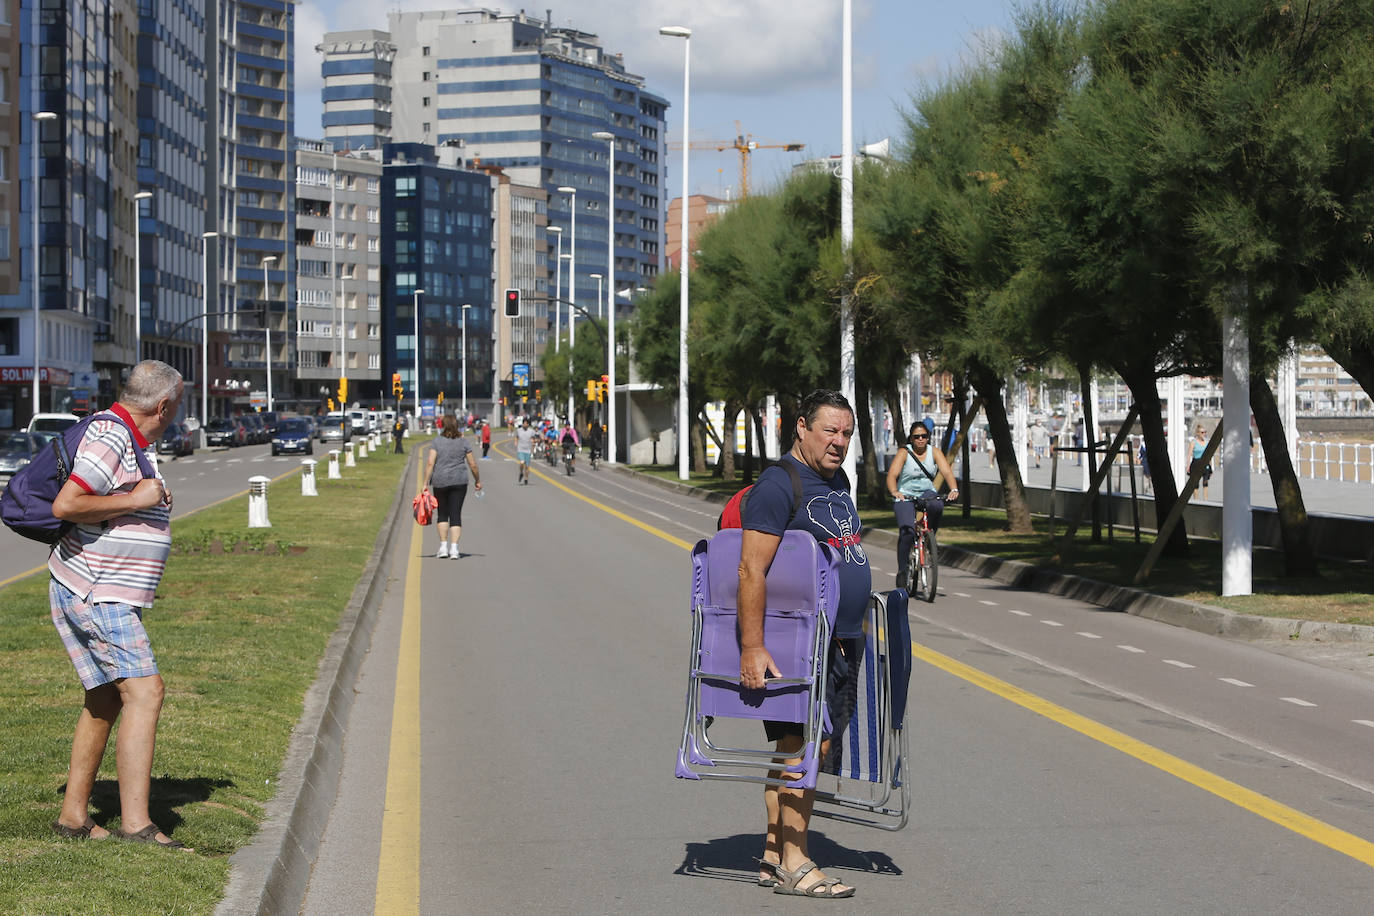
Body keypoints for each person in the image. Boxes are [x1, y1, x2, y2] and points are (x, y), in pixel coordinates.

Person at [48, 360, 191, 849]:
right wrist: (138, 499)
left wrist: (144, 497)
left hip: (97, 586)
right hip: (97, 589)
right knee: (146, 693)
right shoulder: (112, 436)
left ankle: (73, 816)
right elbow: (67, 505)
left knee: (106, 696)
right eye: (179, 404)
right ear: (164, 405)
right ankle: (136, 824)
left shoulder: (128, 436)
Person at [739, 390, 869, 899]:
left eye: (846, 434)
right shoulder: (778, 486)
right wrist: (753, 645)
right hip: (802, 645)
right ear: (801, 427)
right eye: (829, 431)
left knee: (799, 746)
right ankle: (796, 862)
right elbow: (751, 567)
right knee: (807, 748)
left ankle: (775, 854)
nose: (838, 442)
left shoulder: (837, 480)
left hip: (840, 641)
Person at [886, 419, 959, 589]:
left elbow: (946, 471)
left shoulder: (934, 452)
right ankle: (903, 570)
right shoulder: (904, 452)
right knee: (906, 531)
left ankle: (928, 538)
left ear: (928, 437)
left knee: (937, 506)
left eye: (924, 436)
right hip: (906, 495)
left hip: (926, 493)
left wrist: (954, 489)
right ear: (911, 438)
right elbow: (892, 475)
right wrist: (895, 492)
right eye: (916, 436)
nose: (920, 439)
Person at [423, 413, 482, 557]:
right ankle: (454, 549)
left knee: (442, 513)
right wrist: (477, 480)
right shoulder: (464, 442)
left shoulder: (437, 441)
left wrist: (425, 483)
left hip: (440, 480)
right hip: (459, 481)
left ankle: (443, 547)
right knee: (456, 514)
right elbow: (472, 464)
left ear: (443, 425)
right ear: (457, 425)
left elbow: (430, 463)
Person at [1190, 423, 1212, 500]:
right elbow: (1189, 455)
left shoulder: (1206, 442)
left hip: (1205, 465)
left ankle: (1206, 500)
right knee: (1195, 484)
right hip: (1196, 464)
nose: (1204, 434)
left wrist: (1210, 467)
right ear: (1198, 433)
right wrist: (1188, 467)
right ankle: (1196, 500)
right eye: (1202, 432)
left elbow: (1209, 455)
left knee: (1205, 483)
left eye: (1205, 432)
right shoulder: (1193, 442)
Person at [514, 419, 536, 485]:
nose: (525, 425)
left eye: (526, 423)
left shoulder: (531, 431)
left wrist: (533, 444)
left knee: (527, 466)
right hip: (520, 449)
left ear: (528, 424)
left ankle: (526, 478)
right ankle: (521, 473)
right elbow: (516, 437)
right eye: (524, 423)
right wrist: (516, 442)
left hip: (528, 450)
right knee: (522, 462)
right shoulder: (519, 430)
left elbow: (533, 439)